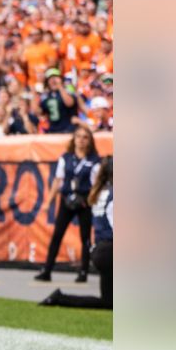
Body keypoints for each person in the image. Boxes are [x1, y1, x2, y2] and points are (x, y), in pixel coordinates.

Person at [40, 157, 112, 309]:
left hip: (101, 251)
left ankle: (61, 298)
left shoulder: (100, 192)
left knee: (108, 302)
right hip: (110, 251)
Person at [35, 127, 102, 282]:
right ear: (74, 139)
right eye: (78, 136)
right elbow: (58, 180)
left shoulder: (94, 161)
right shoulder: (66, 158)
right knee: (57, 234)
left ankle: (83, 271)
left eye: (85, 137)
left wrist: (89, 200)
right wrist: (48, 202)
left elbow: (97, 184)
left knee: (85, 237)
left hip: (84, 201)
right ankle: (47, 269)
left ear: (90, 140)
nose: (81, 140)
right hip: (67, 199)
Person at [40, 69, 80, 134]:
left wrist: (60, 86)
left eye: (55, 77)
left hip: (69, 129)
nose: (53, 80)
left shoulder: (68, 90)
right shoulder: (46, 96)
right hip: (53, 130)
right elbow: (40, 111)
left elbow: (69, 103)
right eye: (50, 79)